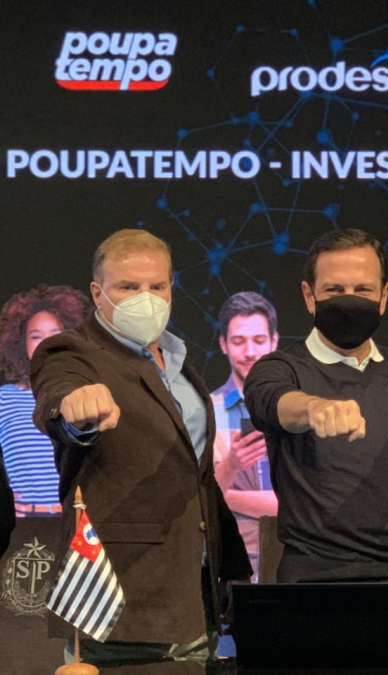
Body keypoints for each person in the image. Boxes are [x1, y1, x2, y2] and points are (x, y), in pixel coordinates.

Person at [31, 229, 251, 665]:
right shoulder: (72, 351)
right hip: (122, 600)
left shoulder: (179, 360)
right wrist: (76, 408)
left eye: (157, 286)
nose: (145, 298)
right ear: (98, 293)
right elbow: (59, 394)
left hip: (199, 592)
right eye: (129, 287)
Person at [244, 228, 388, 583]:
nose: (349, 301)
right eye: (334, 290)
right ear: (309, 295)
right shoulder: (279, 369)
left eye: (362, 290)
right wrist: (314, 409)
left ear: (384, 296)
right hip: (310, 585)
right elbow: (269, 402)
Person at [0, 284, 90, 516]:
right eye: (35, 336)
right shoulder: (4, 399)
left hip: (80, 523)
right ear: (21, 343)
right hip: (25, 523)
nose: (46, 343)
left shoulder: (88, 394)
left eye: (55, 334)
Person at [211, 291, 279, 580]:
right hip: (231, 568)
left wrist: (228, 496)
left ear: (274, 341)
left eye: (259, 340)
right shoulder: (206, 413)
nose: (250, 351)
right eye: (239, 341)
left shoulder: (299, 411)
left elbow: (302, 502)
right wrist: (230, 466)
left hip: (293, 564)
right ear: (223, 344)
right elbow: (199, 503)